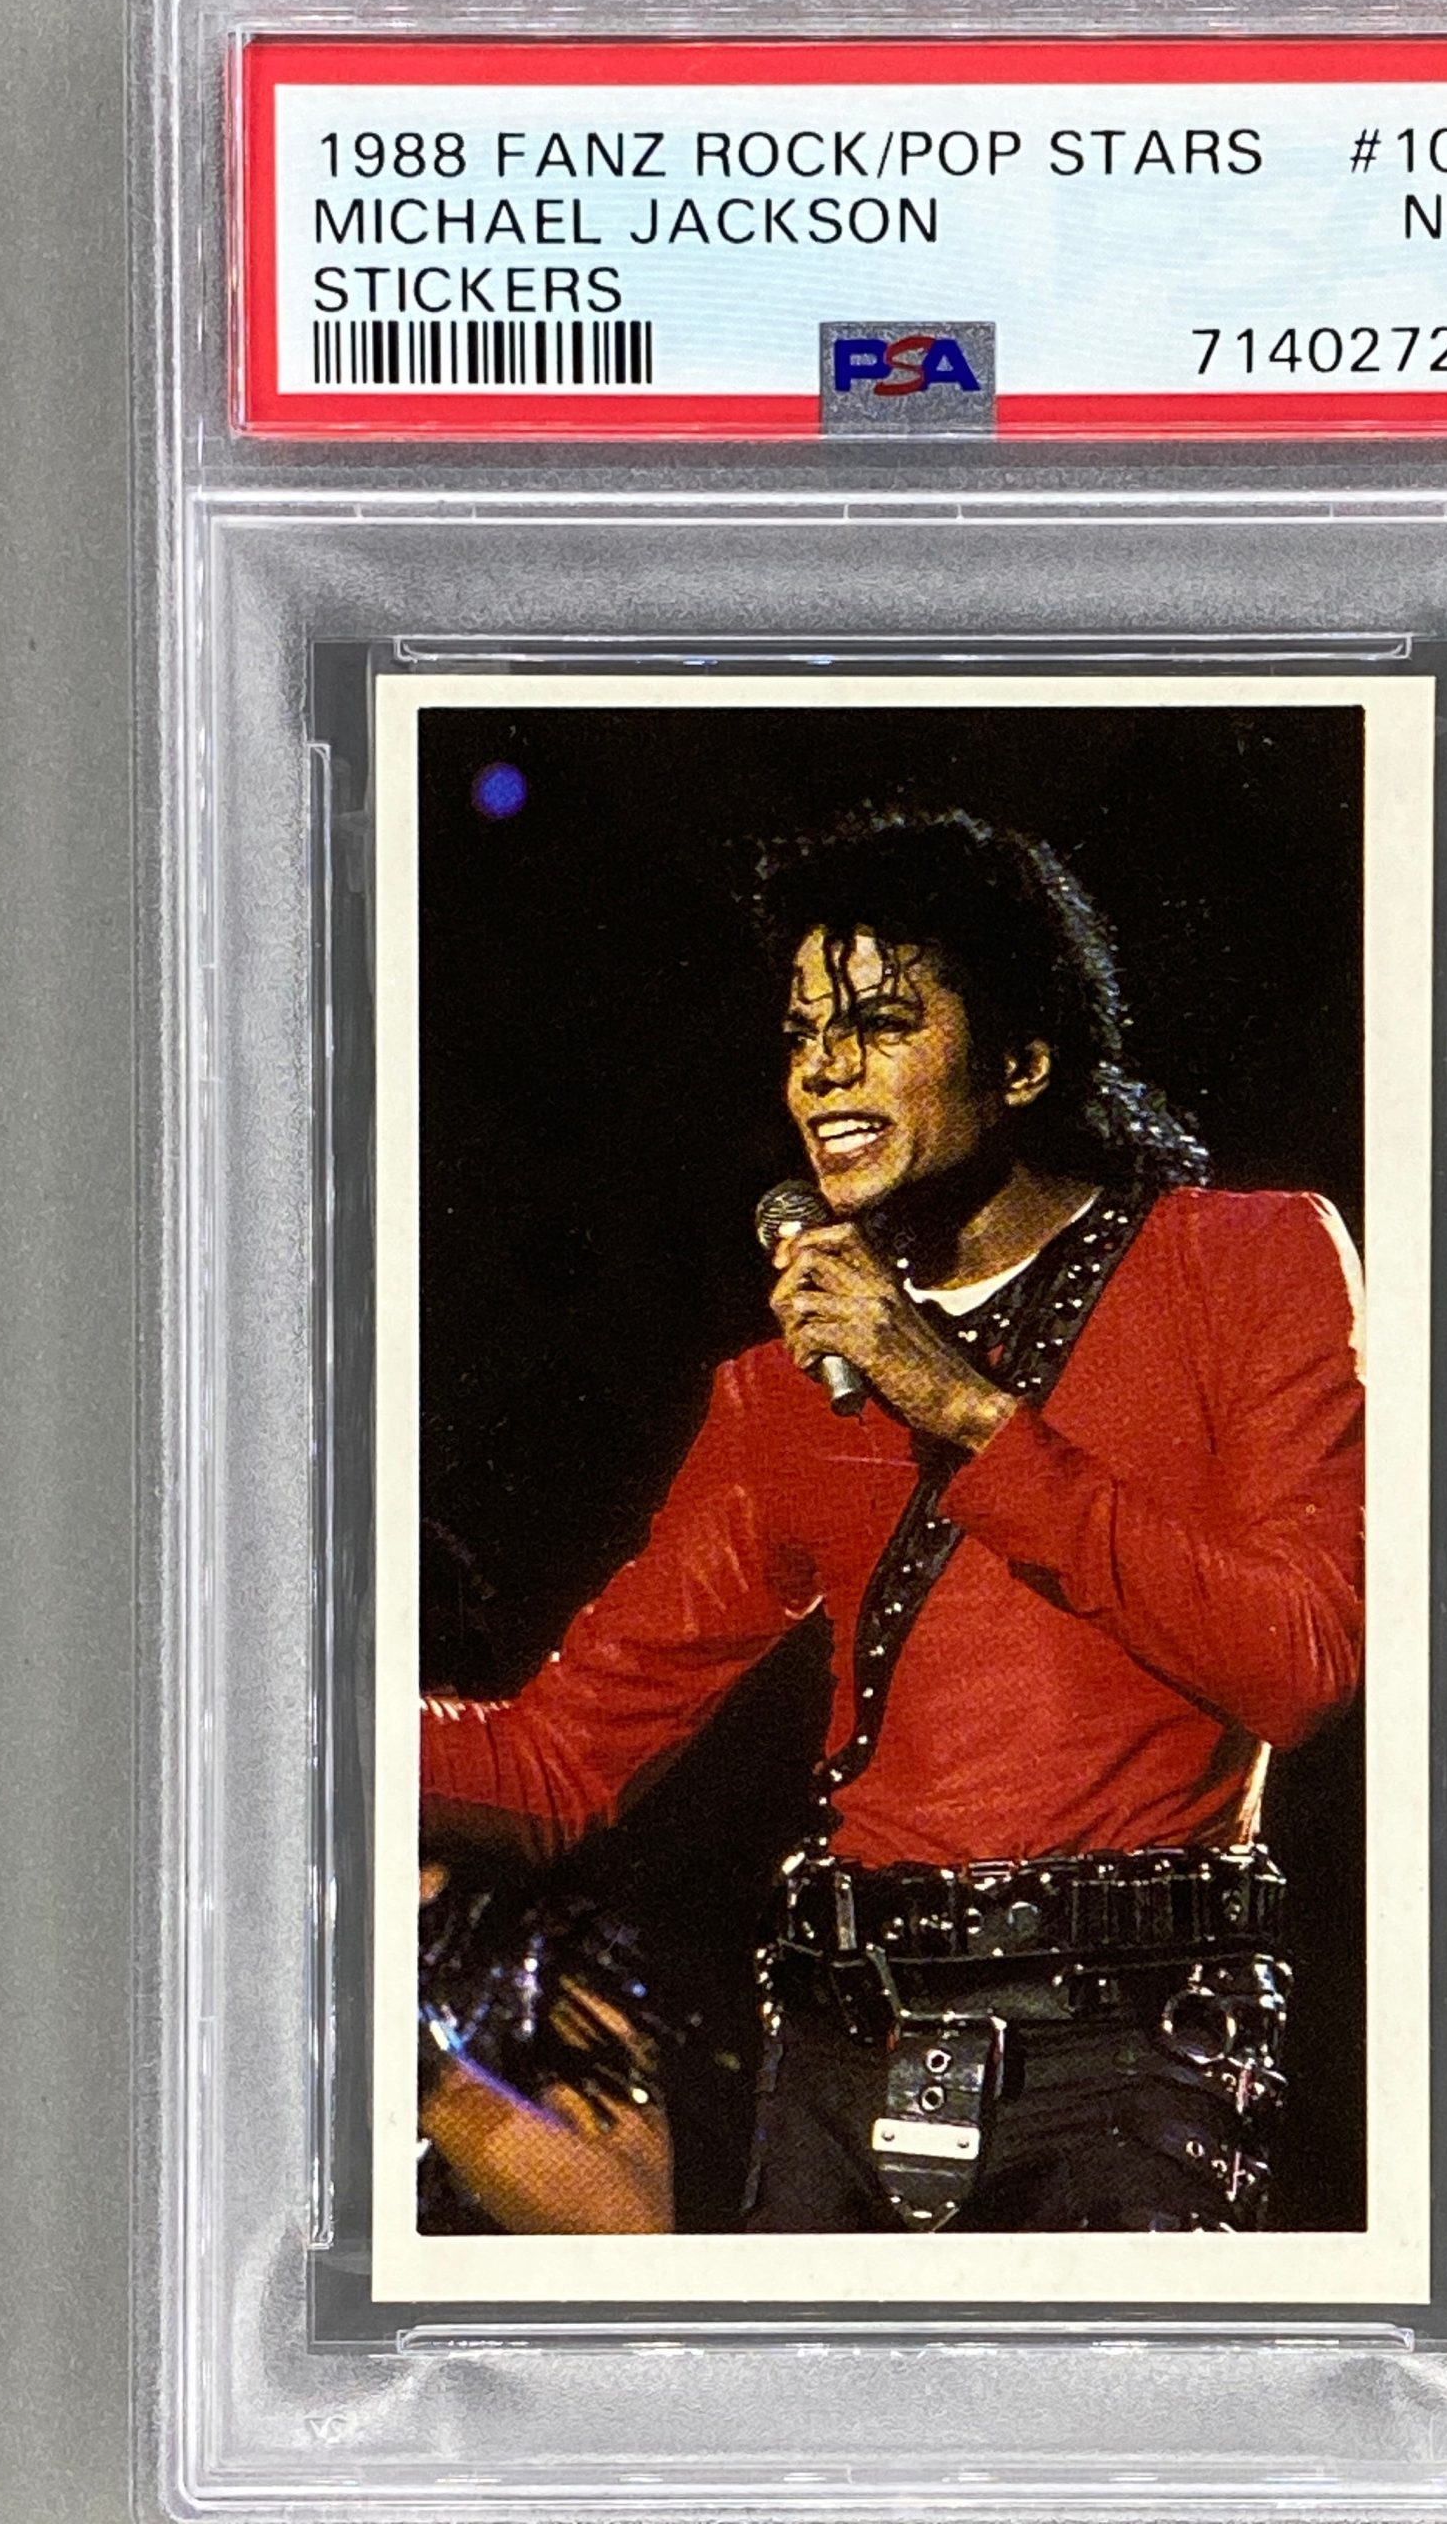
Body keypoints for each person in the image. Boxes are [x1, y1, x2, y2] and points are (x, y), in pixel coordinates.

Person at [421, 808, 1364, 2233]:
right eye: (805, 1031)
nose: (823, 1069)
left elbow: (1298, 1666)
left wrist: (966, 1411)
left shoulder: (1244, 1262)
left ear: (1024, 1062)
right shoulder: (781, 1389)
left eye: (879, 1023)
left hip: (1123, 2057)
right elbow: (553, 1764)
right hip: (839, 2052)